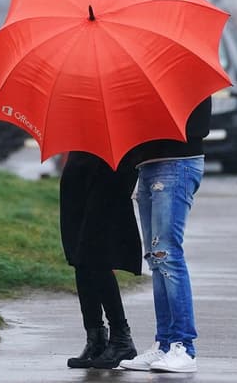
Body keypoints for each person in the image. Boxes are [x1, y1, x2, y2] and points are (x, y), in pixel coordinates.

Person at [119, 96, 211, 374]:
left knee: (167, 255)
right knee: (156, 259)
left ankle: (184, 347)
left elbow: (198, 125)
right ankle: (165, 343)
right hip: (147, 164)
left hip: (177, 162)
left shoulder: (183, 74)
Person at [59, 151, 141, 369]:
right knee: (79, 256)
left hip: (110, 169)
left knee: (96, 254)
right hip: (79, 167)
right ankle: (95, 337)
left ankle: (121, 337)